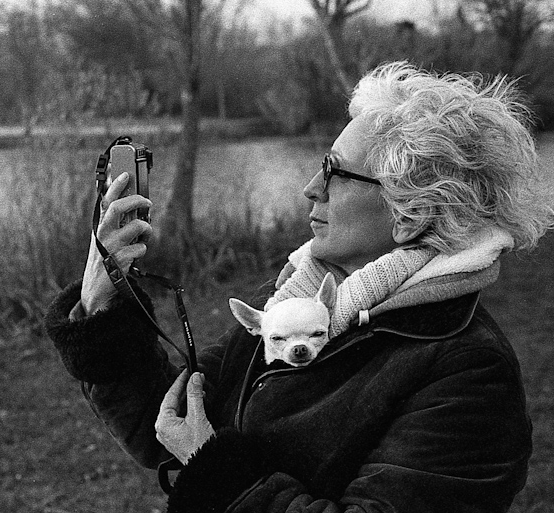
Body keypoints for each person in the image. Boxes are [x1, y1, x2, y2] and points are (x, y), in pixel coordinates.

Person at [45, 62, 554, 512]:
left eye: (334, 171)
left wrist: (214, 467)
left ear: (410, 214)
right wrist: (101, 299)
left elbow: (200, 449)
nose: (311, 187)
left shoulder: (468, 372)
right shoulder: (298, 296)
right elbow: (168, 422)